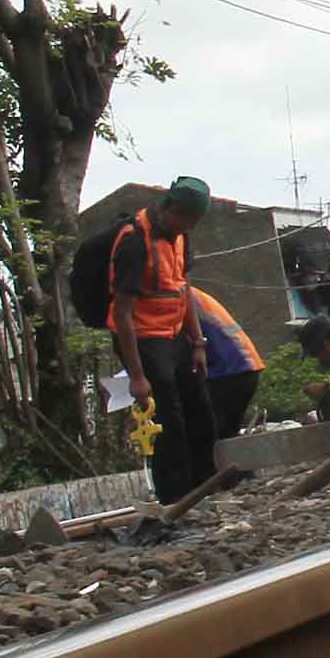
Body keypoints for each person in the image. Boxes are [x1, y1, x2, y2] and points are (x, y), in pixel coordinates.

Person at [104, 174, 218, 502]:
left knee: (201, 413)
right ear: (171, 209)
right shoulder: (134, 243)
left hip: (175, 337)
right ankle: (177, 500)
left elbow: (184, 291)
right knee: (170, 422)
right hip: (142, 340)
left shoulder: (180, 237)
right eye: (187, 219)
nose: (190, 227)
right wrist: (137, 378)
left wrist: (197, 343)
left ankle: (207, 487)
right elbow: (122, 314)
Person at [193, 287, 265, 442]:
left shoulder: (175, 295)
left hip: (228, 370)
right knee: (224, 437)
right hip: (242, 367)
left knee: (211, 437)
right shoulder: (187, 293)